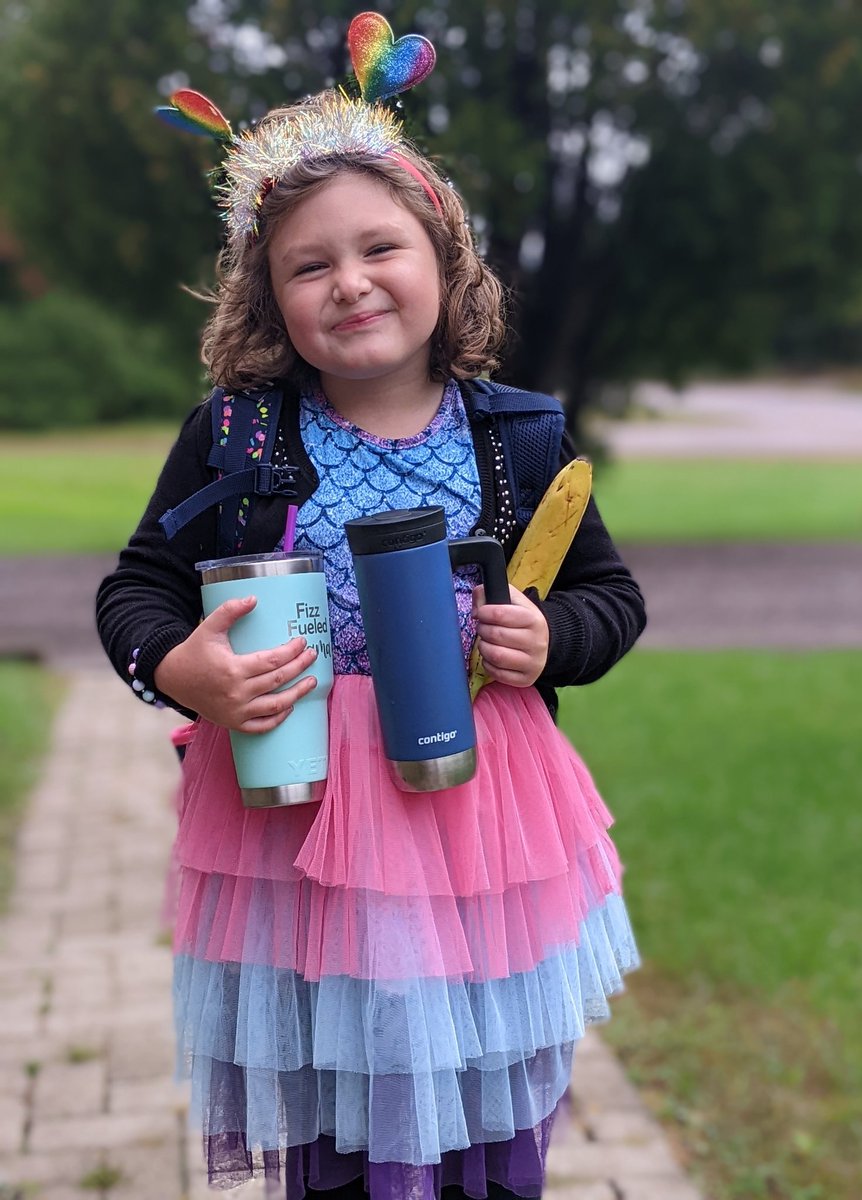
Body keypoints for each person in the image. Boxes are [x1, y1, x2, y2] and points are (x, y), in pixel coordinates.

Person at [97, 14, 646, 1200]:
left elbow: (611, 597)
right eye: (308, 264)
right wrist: (176, 667)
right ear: (270, 298)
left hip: (480, 811)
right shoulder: (236, 436)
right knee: (343, 1111)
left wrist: (556, 636)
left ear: (444, 259)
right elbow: (138, 586)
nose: (349, 282)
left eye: (380, 247)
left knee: (487, 1098)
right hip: (302, 820)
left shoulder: (520, 434)